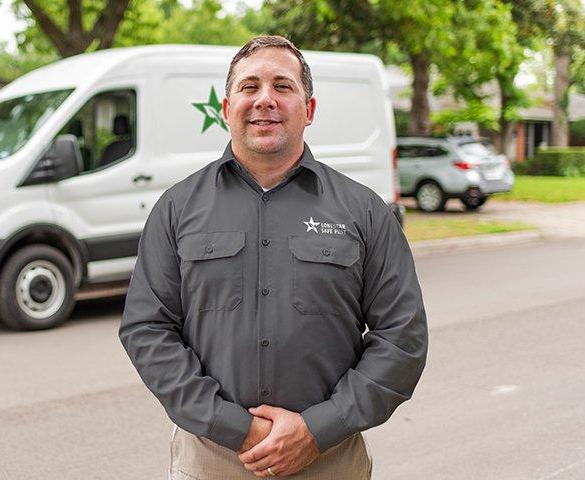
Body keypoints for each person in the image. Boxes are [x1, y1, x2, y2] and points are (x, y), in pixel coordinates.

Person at [118, 35, 428, 479]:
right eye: (249, 87)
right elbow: (147, 329)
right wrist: (231, 426)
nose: (265, 99)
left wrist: (317, 429)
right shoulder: (176, 208)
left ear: (310, 109)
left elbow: (403, 338)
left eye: (283, 87)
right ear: (227, 109)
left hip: (329, 459)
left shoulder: (364, 212)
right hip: (212, 459)